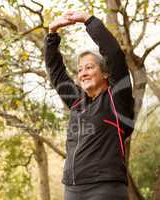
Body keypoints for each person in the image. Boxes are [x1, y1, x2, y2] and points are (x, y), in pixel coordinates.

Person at [44, 11, 135, 200]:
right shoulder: (78, 102)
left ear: (105, 74)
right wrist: (52, 33)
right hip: (72, 188)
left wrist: (88, 20)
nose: (83, 73)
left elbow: (115, 55)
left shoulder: (116, 98)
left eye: (89, 67)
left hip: (105, 188)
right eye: (79, 70)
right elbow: (57, 73)